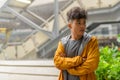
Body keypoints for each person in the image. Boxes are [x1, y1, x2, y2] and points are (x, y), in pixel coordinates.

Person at [54, 7, 99, 80]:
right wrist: (79, 60)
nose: (82, 26)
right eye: (78, 23)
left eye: (84, 22)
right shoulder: (63, 43)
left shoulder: (91, 41)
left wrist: (70, 68)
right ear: (70, 25)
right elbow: (57, 62)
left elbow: (92, 64)